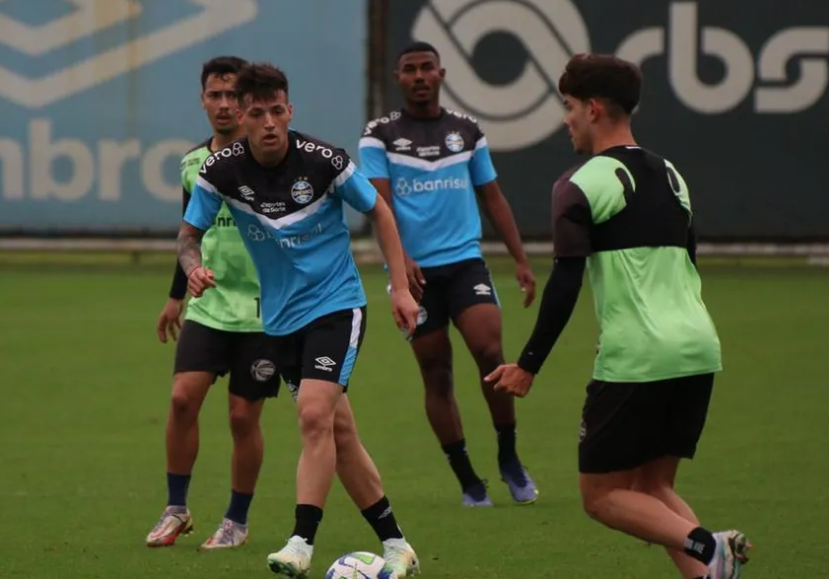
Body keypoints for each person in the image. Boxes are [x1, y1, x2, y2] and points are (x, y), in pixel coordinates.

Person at [484, 53, 751, 579]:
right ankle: (711, 570)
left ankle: (706, 547)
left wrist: (528, 363)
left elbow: (565, 281)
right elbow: (688, 262)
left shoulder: (580, 183)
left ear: (595, 107)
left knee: (602, 496)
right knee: (654, 489)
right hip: (697, 347)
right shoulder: (672, 174)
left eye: (569, 107)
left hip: (639, 355)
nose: (566, 119)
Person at [179, 62, 420, 579]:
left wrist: (398, 287)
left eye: (276, 111)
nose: (268, 122)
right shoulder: (219, 172)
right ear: (241, 116)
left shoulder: (324, 161)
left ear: (290, 111)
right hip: (282, 318)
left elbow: (379, 210)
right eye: (257, 112)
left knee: (313, 414)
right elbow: (187, 238)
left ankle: (300, 542)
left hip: (337, 304)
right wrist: (193, 269)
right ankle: (397, 544)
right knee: (339, 431)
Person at [358, 41, 539, 506]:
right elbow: (379, 203)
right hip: (413, 275)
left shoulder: (467, 130)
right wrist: (401, 259)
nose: (419, 76)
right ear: (398, 78)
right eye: (409, 69)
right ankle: (467, 480)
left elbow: (492, 195)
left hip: (464, 263)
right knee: (436, 374)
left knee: (490, 352)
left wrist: (520, 258)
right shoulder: (379, 135)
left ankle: (509, 457)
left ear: (441, 73)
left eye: (426, 68)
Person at [146, 56, 282, 551]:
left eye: (232, 96)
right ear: (203, 101)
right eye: (215, 95)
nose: (224, 105)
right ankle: (176, 508)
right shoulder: (192, 164)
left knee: (243, 418)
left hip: (265, 310)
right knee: (182, 399)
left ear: (247, 103)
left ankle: (236, 521)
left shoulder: (272, 160)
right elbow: (191, 235)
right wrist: (175, 295)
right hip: (209, 304)